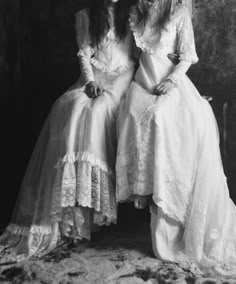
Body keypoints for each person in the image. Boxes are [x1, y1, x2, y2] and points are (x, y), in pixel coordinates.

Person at [0, 0, 135, 262]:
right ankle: (70, 218)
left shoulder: (129, 16)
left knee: (98, 112)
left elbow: (133, 58)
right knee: (70, 109)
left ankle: (94, 210)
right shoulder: (85, 16)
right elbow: (84, 54)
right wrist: (90, 82)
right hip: (94, 77)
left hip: (121, 78)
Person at [116, 0, 236, 276]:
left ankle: (172, 223)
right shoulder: (136, 13)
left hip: (169, 84)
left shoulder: (178, 11)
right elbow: (133, 57)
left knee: (162, 120)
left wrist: (171, 80)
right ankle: (148, 198)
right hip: (141, 85)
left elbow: (187, 56)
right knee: (133, 114)